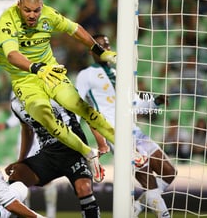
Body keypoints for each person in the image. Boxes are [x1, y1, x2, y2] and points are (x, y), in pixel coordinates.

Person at [0, 0, 117, 182]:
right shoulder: (7, 21)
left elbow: (75, 29)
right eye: (27, 10)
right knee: (45, 116)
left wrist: (98, 50)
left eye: (36, 10)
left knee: (80, 107)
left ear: (42, 7)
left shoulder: (49, 15)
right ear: (18, 6)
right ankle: (87, 152)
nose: (32, 15)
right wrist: (37, 69)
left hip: (49, 71)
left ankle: (125, 149)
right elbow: (12, 55)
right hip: (25, 77)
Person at [76, 34, 177, 218]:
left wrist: (155, 102)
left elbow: (135, 103)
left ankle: (137, 207)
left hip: (134, 131)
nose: (105, 48)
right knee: (148, 178)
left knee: (169, 172)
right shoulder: (86, 75)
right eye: (100, 46)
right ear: (92, 50)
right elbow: (77, 105)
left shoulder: (119, 73)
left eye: (107, 45)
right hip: (115, 134)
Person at [5, 95, 101, 218]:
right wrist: (21, 160)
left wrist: (101, 145)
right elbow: (27, 129)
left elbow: (88, 113)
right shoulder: (16, 104)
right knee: (17, 175)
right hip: (48, 155)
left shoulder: (57, 89)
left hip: (74, 151)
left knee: (84, 188)